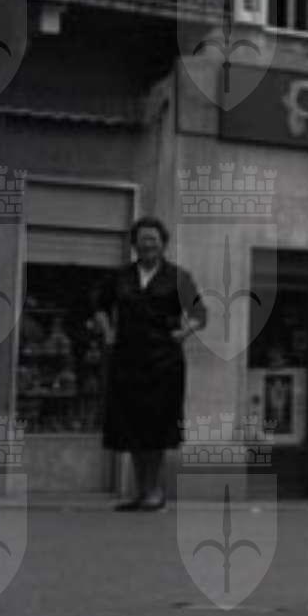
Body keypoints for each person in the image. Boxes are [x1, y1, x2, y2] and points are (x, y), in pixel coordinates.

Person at [92, 218, 206, 510]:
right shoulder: (121, 277)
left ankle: (154, 490)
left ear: (163, 243)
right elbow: (100, 306)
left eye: (153, 239)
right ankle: (141, 491)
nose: (147, 244)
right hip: (127, 360)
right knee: (131, 426)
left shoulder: (178, 277)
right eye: (142, 239)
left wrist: (183, 333)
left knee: (156, 426)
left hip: (163, 361)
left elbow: (199, 314)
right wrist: (108, 332)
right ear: (134, 244)